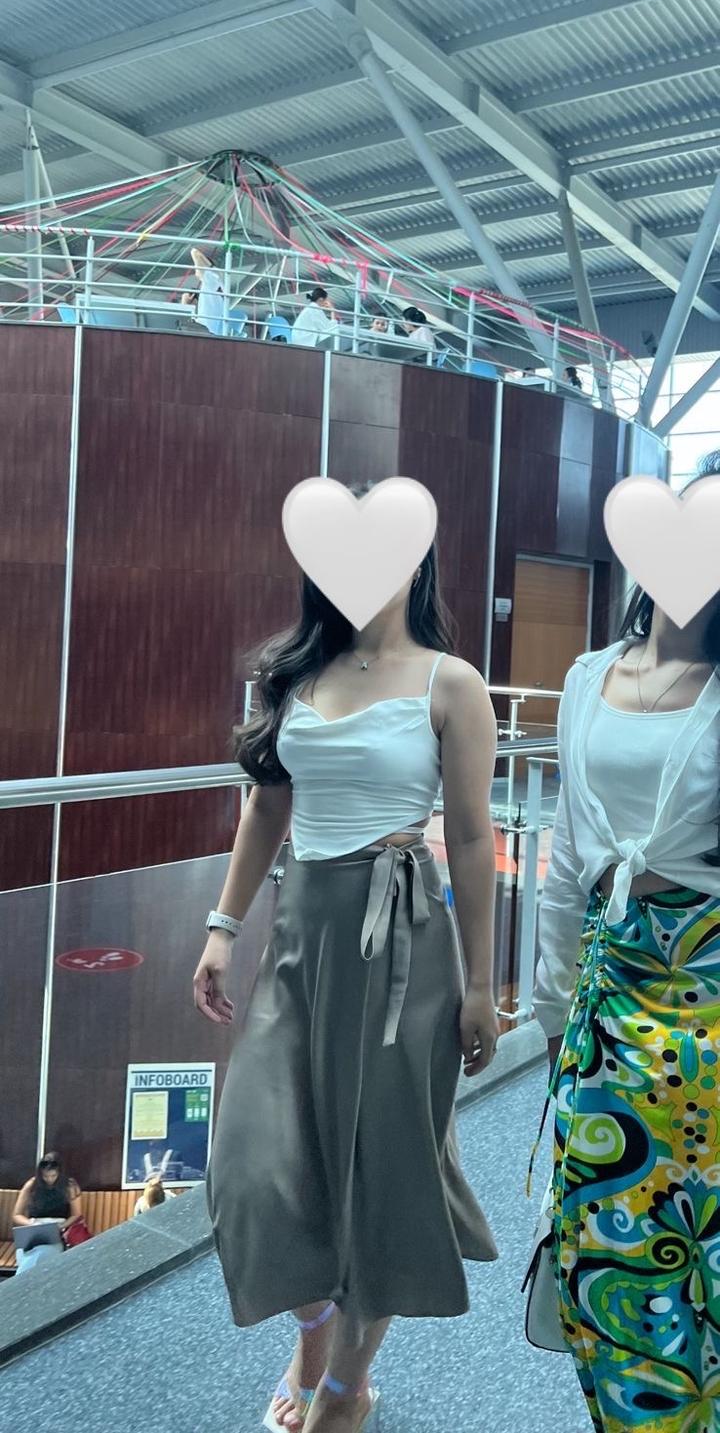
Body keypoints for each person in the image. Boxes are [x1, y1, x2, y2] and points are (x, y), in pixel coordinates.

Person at [194, 484, 499, 1433]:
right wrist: (222, 925)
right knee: (252, 1160)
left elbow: (474, 839)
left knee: (384, 1169)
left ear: (417, 560)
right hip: (302, 940)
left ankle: (346, 1383)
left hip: (404, 947)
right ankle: (314, 1323)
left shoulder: (451, 682)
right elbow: (267, 805)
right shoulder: (296, 673)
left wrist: (482, 987)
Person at [532, 450, 720, 1433]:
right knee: (601, 1240)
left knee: (708, 1250)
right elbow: (566, 857)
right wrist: (552, 1008)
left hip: (713, 990)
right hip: (610, 996)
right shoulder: (587, 677)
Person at [12, 1152, 83, 1272]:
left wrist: (61, 1226)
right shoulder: (32, 1185)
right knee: (30, 1254)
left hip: (57, 1230)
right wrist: (31, 1224)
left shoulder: (69, 1186)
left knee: (45, 1253)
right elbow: (16, 1215)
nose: (49, 1179)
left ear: (60, 1173)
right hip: (34, 1229)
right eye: (45, 1176)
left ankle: (22, 1278)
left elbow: (76, 1214)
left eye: (53, 1175)